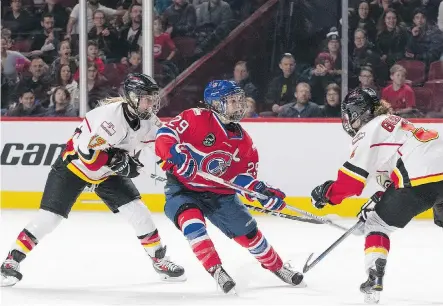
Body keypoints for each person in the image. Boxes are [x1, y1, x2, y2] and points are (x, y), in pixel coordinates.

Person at [1, 73, 186, 287]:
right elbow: (86, 155)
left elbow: (162, 147)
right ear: (132, 98)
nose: (152, 103)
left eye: (153, 97)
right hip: (74, 168)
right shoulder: (108, 118)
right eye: (147, 98)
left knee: (139, 212)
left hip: (106, 174)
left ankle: (159, 260)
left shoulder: (148, 121)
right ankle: (10, 261)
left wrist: (176, 164)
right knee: (49, 219)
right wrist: (118, 160)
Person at [154, 80, 304, 294]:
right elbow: (165, 135)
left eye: (239, 100)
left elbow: (242, 180)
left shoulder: (246, 143)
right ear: (214, 103)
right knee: (192, 224)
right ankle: (215, 268)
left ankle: (278, 266)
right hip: (183, 189)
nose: (238, 105)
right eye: (231, 101)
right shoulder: (196, 118)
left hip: (220, 196)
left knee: (250, 234)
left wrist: (261, 192)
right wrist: (175, 154)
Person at [310, 87, 443, 304]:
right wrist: (381, 197)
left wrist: (326, 194)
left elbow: (352, 184)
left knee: (377, 225)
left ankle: (374, 276)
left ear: (355, 113)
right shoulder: (394, 122)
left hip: (419, 178)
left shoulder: (369, 129)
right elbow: (395, 169)